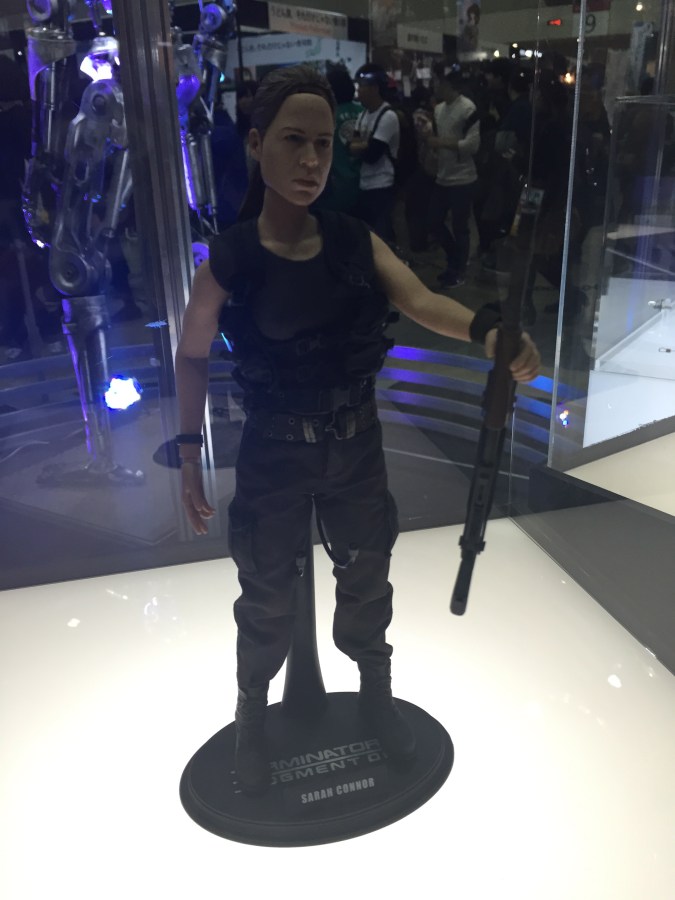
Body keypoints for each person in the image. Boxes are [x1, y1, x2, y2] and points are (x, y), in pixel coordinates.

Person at [174, 64, 540, 796]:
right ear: (258, 144)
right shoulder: (232, 259)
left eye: (322, 145)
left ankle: (375, 696)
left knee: (368, 579)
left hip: (354, 445)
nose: (310, 160)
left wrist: (487, 331)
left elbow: (420, 300)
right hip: (275, 448)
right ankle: (253, 717)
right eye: (293, 142)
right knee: (265, 593)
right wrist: (188, 454)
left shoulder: (351, 241)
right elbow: (191, 355)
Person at [425, 64, 481, 288]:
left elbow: (472, 145)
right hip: (443, 176)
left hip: (463, 178)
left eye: (438, 82)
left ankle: (459, 270)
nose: (435, 87)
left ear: (448, 84)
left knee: (460, 227)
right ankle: (455, 260)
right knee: (434, 221)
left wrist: (440, 143)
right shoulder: (439, 109)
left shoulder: (468, 108)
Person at [348, 64, 400, 244]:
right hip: (365, 184)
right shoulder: (363, 115)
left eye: (361, 86)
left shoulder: (388, 116)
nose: (358, 92)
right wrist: (363, 145)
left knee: (383, 236)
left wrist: (360, 147)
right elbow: (351, 147)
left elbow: (372, 155)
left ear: (375, 88)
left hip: (382, 185)